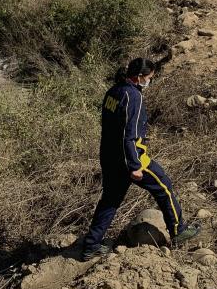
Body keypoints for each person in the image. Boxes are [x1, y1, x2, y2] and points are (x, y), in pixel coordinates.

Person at [81, 58, 200, 261]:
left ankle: (91, 246)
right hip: (131, 159)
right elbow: (130, 134)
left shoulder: (113, 91)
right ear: (139, 77)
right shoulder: (133, 96)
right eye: (149, 78)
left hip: (110, 158)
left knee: (110, 201)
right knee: (164, 187)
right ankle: (179, 231)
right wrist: (135, 165)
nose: (149, 81)